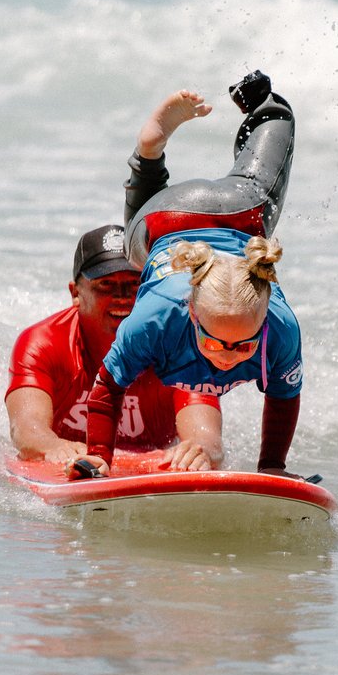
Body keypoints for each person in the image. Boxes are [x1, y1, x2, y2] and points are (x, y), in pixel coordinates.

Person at [71, 70, 303, 481]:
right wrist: (99, 457)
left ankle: (151, 152)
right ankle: (260, 106)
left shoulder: (280, 329)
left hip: (182, 212)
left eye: (244, 345)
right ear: (191, 313)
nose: (227, 356)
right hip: (231, 210)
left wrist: (272, 468)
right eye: (217, 340)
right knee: (134, 251)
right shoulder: (156, 317)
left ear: (264, 322)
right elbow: (106, 390)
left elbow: (284, 398)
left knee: (139, 248)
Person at [5, 224, 223, 470]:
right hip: (69, 464)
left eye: (134, 284)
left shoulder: (183, 346)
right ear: (75, 293)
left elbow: (208, 440)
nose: (122, 297)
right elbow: (26, 430)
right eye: (105, 285)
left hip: (151, 461)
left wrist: (198, 451)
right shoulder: (43, 343)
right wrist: (52, 446)